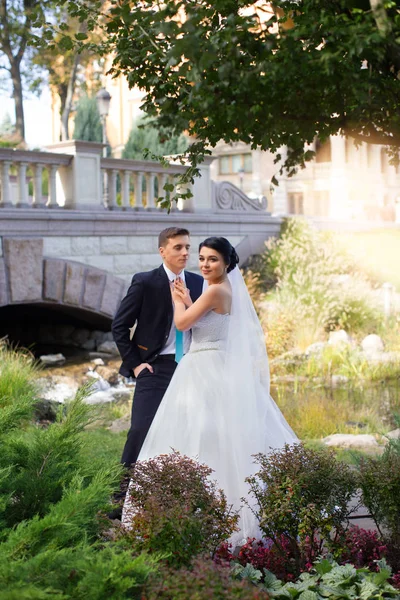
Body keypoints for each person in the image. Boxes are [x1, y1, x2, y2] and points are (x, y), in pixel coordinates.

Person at [122, 237, 298, 545]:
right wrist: (190, 299)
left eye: (212, 259)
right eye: (201, 258)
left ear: (227, 262)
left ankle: (207, 512)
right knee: (210, 434)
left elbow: (182, 323)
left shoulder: (216, 289)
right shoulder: (218, 289)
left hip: (204, 367)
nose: (204, 264)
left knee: (197, 434)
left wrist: (178, 299)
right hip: (209, 362)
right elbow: (203, 322)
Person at [112, 227, 203, 470]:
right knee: (140, 429)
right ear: (162, 251)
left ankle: (174, 493)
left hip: (191, 366)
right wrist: (136, 365)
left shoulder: (198, 282)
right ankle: (121, 496)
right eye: (178, 247)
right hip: (155, 367)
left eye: (187, 247)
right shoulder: (145, 282)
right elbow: (120, 326)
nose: (185, 253)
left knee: (187, 431)